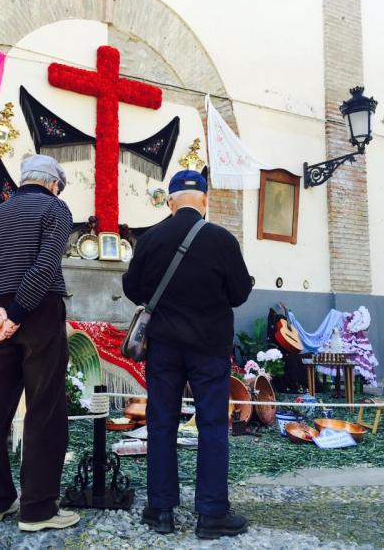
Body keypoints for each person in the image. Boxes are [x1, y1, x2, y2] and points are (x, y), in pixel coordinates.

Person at [122, 170, 253, 540]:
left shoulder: (151, 238)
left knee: (161, 424)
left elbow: (132, 288)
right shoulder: (221, 239)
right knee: (213, 426)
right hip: (209, 349)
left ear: (170, 201)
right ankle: (211, 515)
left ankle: (160, 510)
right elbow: (240, 293)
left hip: (163, 347)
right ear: (205, 200)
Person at [0, 154, 80, 532]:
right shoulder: (55, 209)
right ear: (53, 184)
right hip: (38, 311)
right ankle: (38, 509)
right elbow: (46, 267)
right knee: (44, 408)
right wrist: (14, 315)